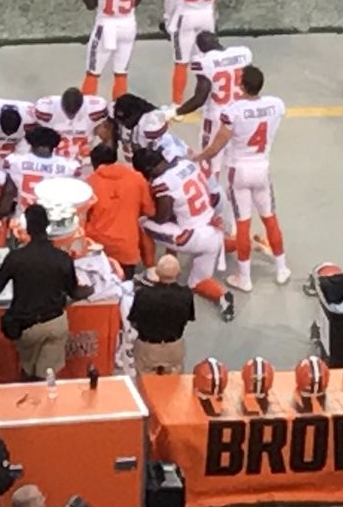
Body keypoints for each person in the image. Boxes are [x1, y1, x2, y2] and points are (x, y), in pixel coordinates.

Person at [192, 65, 290, 290]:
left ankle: (244, 277)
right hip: (262, 167)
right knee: (270, 218)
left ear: (243, 85)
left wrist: (199, 157)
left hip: (240, 170)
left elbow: (217, 146)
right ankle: (281, 267)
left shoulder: (233, 110)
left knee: (243, 224)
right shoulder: (276, 105)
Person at [0, 204, 91, 377]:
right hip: (55, 324)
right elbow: (74, 292)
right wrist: (88, 290)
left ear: (28, 228)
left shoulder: (15, 258)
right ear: (47, 226)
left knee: (28, 370)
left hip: (26, 328)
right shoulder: (62, 258)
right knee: (46, 376)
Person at [135, 149, 236, 320]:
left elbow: (161, 217)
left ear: (149, 169)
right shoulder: (185, 163)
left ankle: (151, 271)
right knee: (196, 283)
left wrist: (145, 211)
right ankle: (222, 295)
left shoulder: (162, 182)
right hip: (212, 226)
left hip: (192, 236)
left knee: (142, 222)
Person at [80, 0, 147, 99]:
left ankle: (87, 111)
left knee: (93, 72)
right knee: (121, 72)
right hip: (128, 25)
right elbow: (137, 0)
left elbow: (90, 5)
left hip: (106, 27)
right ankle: (120, 111)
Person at [171, 31, 252, 153]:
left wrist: (176, 111)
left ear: (200, 48)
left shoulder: (204, 62)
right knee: (237, 153)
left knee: (209, 157)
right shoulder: (243, 53)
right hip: (240, 111)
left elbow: (199, 99)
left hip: (217, 116)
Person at [83, 142, 154, 276]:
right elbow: (149, 211)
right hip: (127, 247)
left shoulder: (90, 183)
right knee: (125, 290)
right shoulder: (137, 179)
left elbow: (83, 216)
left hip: (98, 245)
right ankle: (150, 268)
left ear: (94, 163)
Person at [129, 255, 194, 374]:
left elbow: (134, 320)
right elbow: (188, 318)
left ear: (157, 272)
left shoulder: (143, 294)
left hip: (148, 347)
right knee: (175, 386)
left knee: (145, 384)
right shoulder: (187, 295)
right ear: (178, 272)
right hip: (174, 347)